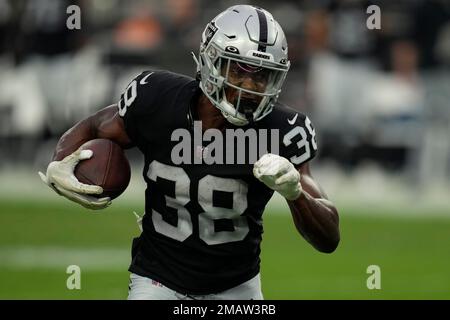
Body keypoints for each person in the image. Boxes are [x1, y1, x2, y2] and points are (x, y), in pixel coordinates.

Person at [39, 5, 340, 300]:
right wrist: (59, 161)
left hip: (237, 287)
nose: (250, 87)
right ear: (211, 61)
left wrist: (295, 192)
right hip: (157, 278)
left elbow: (329, 239)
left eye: (262, 76)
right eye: (239, 71)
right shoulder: (156, 99)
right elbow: (94, 126)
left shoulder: (283, 130)